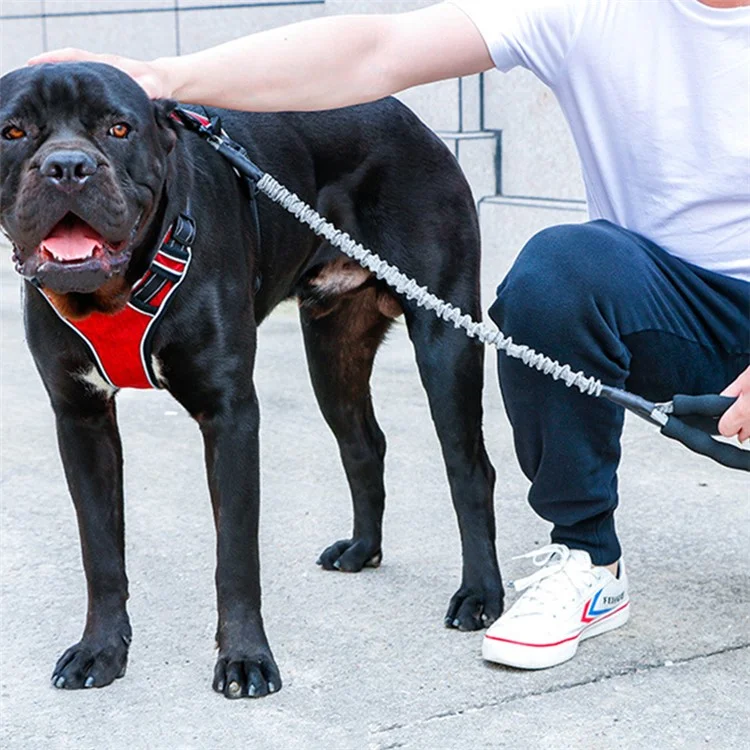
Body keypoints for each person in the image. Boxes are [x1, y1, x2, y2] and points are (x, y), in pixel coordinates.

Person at [29, 0, 750, 670]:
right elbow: (376, 48)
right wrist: (162, 78)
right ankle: (588, 560)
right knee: (558, 272)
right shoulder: (592, 9)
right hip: (671, 306)